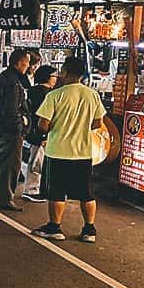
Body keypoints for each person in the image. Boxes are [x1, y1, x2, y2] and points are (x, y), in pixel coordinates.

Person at [31, 57, 105, 243]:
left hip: (58, 152)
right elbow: (98, 123)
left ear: (64, 72)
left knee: (56, 192)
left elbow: (43, 125)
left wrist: (57, 126)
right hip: (83, 152)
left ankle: (54, 227)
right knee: (86, 193)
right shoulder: (92, 95)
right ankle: (89, 229)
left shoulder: (55, 95)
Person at [0, 49, 32, 211]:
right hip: (10, 130)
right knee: (10, 164)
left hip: (0, 127)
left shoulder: (4, 78)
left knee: (0, 162)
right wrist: (18, 127)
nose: (27, 67)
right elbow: (12, 108)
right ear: (20, 63)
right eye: (26, 64)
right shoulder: (12, 82)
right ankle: (5, 198)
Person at [23, 65, 58, 202]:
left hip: (36, 131)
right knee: (37, 162)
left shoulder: (35, 91)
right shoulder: (43, 93)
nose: (55, 79)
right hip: (40, 132)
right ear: (47, 77)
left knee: (38, 161)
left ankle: (37, 188)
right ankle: (31, 190)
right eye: (54, 76)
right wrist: (43, 134)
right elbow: (41, 116)